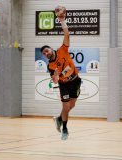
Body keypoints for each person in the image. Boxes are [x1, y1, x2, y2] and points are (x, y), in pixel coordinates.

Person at [40, 10, 81, 140]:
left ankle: (58, 118)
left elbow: (67, 34)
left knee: (71, 106)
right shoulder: (50, 66)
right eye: (44, 54)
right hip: (64, 85)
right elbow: (55, 80)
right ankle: (64, 128)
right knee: (66, 106)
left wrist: (62, 20)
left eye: (46, 51)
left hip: (75, 80)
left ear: (51, 49)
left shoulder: (63, 50)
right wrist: (56, 76)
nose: (46, 54)